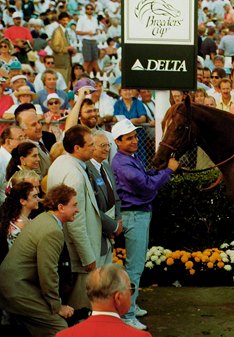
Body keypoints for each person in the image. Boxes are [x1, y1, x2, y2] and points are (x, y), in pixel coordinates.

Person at [111, 119, 179, 330]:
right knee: (134, 267)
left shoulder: (129, 158)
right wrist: (168, 171)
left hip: (137, 214)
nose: (134, 141)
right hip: (134, 215)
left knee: (135, 266)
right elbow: (147, 186)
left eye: (135, 136)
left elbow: (146, 176)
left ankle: (132, 305)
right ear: (118, 141)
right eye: (129, 138)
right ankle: (127, 314)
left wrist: (162, 172)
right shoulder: (123, 163)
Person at [0, 184, 78, 337]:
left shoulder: (45, 219)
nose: (78, 209)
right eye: (74, 205)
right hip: (17, 290)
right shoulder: (52, 231)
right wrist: (57, 307)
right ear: (61, 207)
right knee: (60, 328)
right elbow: (48, 272)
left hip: (15, 286)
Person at [47, 125, 102, 310]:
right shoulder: (74, 175)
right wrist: (87, 257)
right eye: (90, 145)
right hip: (77, 254)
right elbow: (75, 223)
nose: (95, 148)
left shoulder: (61, 162)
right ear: (77, 148)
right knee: (81, 308)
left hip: (68, 249)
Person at [56, 264, 152, 337]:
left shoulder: (64, 335)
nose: (131, 294)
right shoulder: (140, 336)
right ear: (118, 298)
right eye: (130, 290)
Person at [86, 131, 122, 266]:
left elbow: (115, 196)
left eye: (108, 145)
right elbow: (92, 207)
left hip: (110, 231)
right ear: (92, 147)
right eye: (103, 145)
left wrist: (118, 220)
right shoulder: (87, 169)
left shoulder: (106, 166)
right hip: (97, 232)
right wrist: (113, 227)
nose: (107, 149)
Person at [15, 103, 56, 177]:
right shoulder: (25, 151)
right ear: (22, 130)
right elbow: (37, 178)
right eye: (33, 125)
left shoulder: (44, 140)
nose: (39, 126)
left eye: (39, 122)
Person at [0, 181, 39, 250]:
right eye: (34, 196)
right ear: (23, 201)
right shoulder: (21, 224)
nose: (38, 199)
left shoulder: (19, 218)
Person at [0, 126, 26, 204]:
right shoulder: (1, 161)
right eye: (20, 138)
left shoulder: (16, 157)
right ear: (8, 142)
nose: (25, 141)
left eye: (25, 137)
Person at [50, 12, 76, 85]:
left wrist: (71, 50)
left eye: (67, 20)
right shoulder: (57, 32)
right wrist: (67, 49)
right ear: (59, 21)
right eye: (63, 20)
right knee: (61, 84)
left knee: (67, 83)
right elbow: (55, 47)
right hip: (60, 63)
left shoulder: (65, 31)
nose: (65, 22)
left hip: (67, 62)